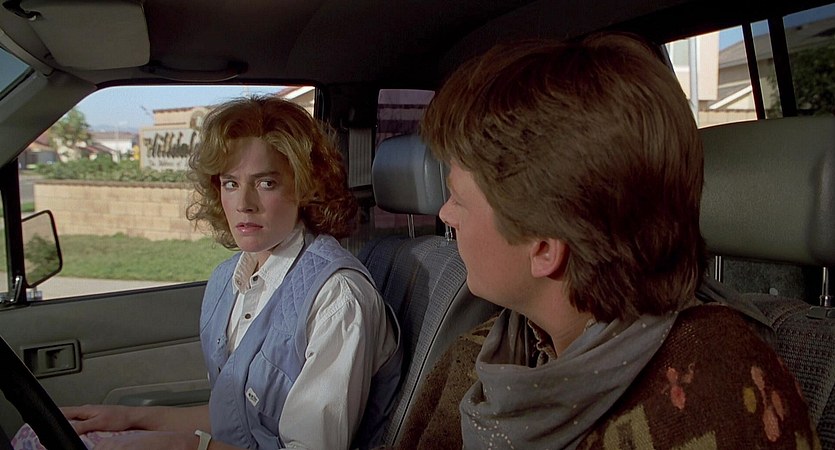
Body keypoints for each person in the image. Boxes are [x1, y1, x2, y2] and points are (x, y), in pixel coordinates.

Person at [396, 33, 819, 449]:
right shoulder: (486, 352)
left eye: (458, 199)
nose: (445, 214)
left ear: (543, 247)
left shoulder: (716, 400)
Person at [13, 96, 402, 450]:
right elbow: (236, 420)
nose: (244, 203)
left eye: (266, 183)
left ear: (305, 187)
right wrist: (130, 419)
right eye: (231, 183)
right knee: (38, 436)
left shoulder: (338, 299)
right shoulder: (229, 280)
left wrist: (180, 446)